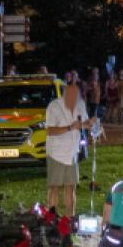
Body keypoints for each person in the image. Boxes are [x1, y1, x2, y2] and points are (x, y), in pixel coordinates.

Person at [44, 81, 88, 213]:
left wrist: (92, 124)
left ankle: (70, 219)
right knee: (54, 188)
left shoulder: (81, 105)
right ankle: (51, 220)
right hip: (56, 154)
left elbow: (83, 123)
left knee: (71, 188)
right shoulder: (54, 106)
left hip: (72, 154)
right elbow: (50, 130)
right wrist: (70, 127)